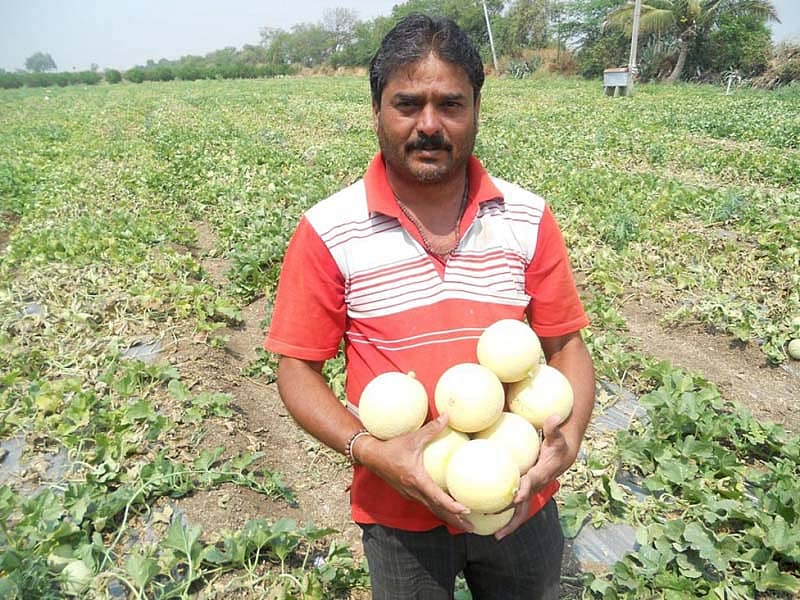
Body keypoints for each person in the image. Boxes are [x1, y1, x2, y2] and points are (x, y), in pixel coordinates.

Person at [265, 13, 595, 600]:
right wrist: (371, 451)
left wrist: (563, 447)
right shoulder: (327, 230)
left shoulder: (526, 217)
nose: (429, 125)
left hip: (520, 497)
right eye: (407, 103)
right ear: (376, 112)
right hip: (398, 514)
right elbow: (297, 369)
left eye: (450, 104)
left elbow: (567, 345)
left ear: (475, 110)